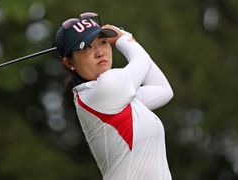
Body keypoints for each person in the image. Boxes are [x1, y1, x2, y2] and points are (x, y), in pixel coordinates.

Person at [55, 12, 174, 180]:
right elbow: (142, 59)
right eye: (86, 47)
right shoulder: (105, 90)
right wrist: (123, 37)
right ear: (69, 63)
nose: (99, 53)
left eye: (103, 42)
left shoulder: (110, 97)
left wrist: (124, 38)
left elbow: (163, 90)